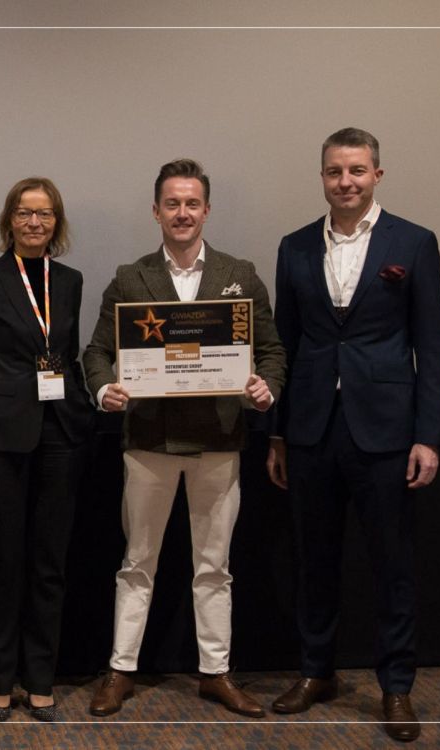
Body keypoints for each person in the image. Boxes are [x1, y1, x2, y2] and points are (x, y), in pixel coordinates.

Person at [83, 158, 286, 718]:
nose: (182, 213)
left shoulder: (240, 274)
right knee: (137, 562)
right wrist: (103, 389)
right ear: (156, 211)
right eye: (172, 203)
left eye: (192, 203)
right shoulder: (130, 277)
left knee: (214, 566)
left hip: (219, 440)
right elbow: (97, 351)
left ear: (207, 210)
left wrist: (266, 387)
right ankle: (121, 670)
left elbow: (271, 350)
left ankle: (216, 673)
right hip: (148, 441)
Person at [267, 128, 440, 743]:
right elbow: (284, 346)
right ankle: (315, 672)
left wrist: (428, 436)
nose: (345, 181)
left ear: (377, 174)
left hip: (388, 432)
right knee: (313, 560)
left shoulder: (414, 243)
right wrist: (277, 435)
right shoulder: (294, 246)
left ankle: (396, 687)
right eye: (334, 171)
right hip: (311, 428)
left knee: (393, 564)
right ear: (322, 176)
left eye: (356, 170)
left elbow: (432, 346)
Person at [0, 177, 93, 722]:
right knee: (4, 563)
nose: (35, 222)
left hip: (61, 433)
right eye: (24, 212)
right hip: (0, 438)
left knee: (50, 564)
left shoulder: (70, 281)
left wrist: (86, 408)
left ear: (57, 222)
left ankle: (40, 679)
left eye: (45, 213)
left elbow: (68, 355)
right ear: (9, 220)